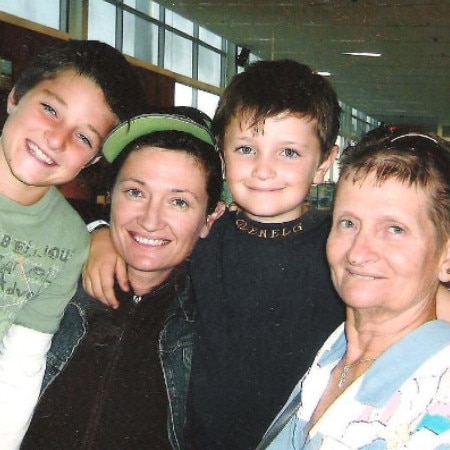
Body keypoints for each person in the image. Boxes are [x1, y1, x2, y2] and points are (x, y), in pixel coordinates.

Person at [83, 59, 346, 449]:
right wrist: (99, 234)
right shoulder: (209, 232)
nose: (263, 170)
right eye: (246, 149)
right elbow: (148, 237)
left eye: (288, 153)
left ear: (324, 162)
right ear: (223, 155)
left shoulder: (339, 245)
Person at [21, 109, 225, 449]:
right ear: (110, 196)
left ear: (210, 217)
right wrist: (94, 232)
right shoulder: (51, 279)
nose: (150, 219)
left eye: (178, 201)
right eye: (135, 192)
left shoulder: (209, 320)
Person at [257, 126, 450, 449]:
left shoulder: (437, 392)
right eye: (348, 223)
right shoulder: (332, 355)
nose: (358, 253)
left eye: (394, 229)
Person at [0, 39, 145, 448]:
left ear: (95, 160)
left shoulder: (67, 241)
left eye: (84, 137)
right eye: (49, 109)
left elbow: (21, 367)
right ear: (15, 96)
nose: (56, 139)